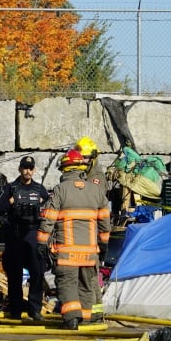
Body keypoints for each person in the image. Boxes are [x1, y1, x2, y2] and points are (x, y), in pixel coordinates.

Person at [37, 149, 111, 330]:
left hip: (67, 253)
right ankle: (85, 320)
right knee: (86, 286)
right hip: (89, 253)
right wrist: (103, 245)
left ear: (65, 169)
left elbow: (48, 219)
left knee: (68, 284)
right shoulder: (96, 191)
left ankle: (71, 319)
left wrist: (40, 243)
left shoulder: (61, 190)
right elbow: (105, 224)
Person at [0, 156, 49, 321]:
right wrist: (10, 202)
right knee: (14, 274)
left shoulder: (40, 190)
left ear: (34, 170)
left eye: (30, 168)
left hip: (33, 233)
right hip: (15, 234)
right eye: (25, 168)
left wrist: (42, 204)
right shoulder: (11, 188)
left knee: (37, 272)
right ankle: (16, 310)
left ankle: (35, 310)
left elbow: (49, 209)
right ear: (20, 169)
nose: (28, 171)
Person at [74, 136, 109, 321]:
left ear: (93, 157)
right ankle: (91, 310)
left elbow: (95, 203)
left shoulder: (96, 178)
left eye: (85, 157)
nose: (82, 160)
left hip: (92, 233)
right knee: (83, 275)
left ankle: (96, 313)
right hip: (82, 232)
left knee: (91, 275)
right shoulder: (82, 174)